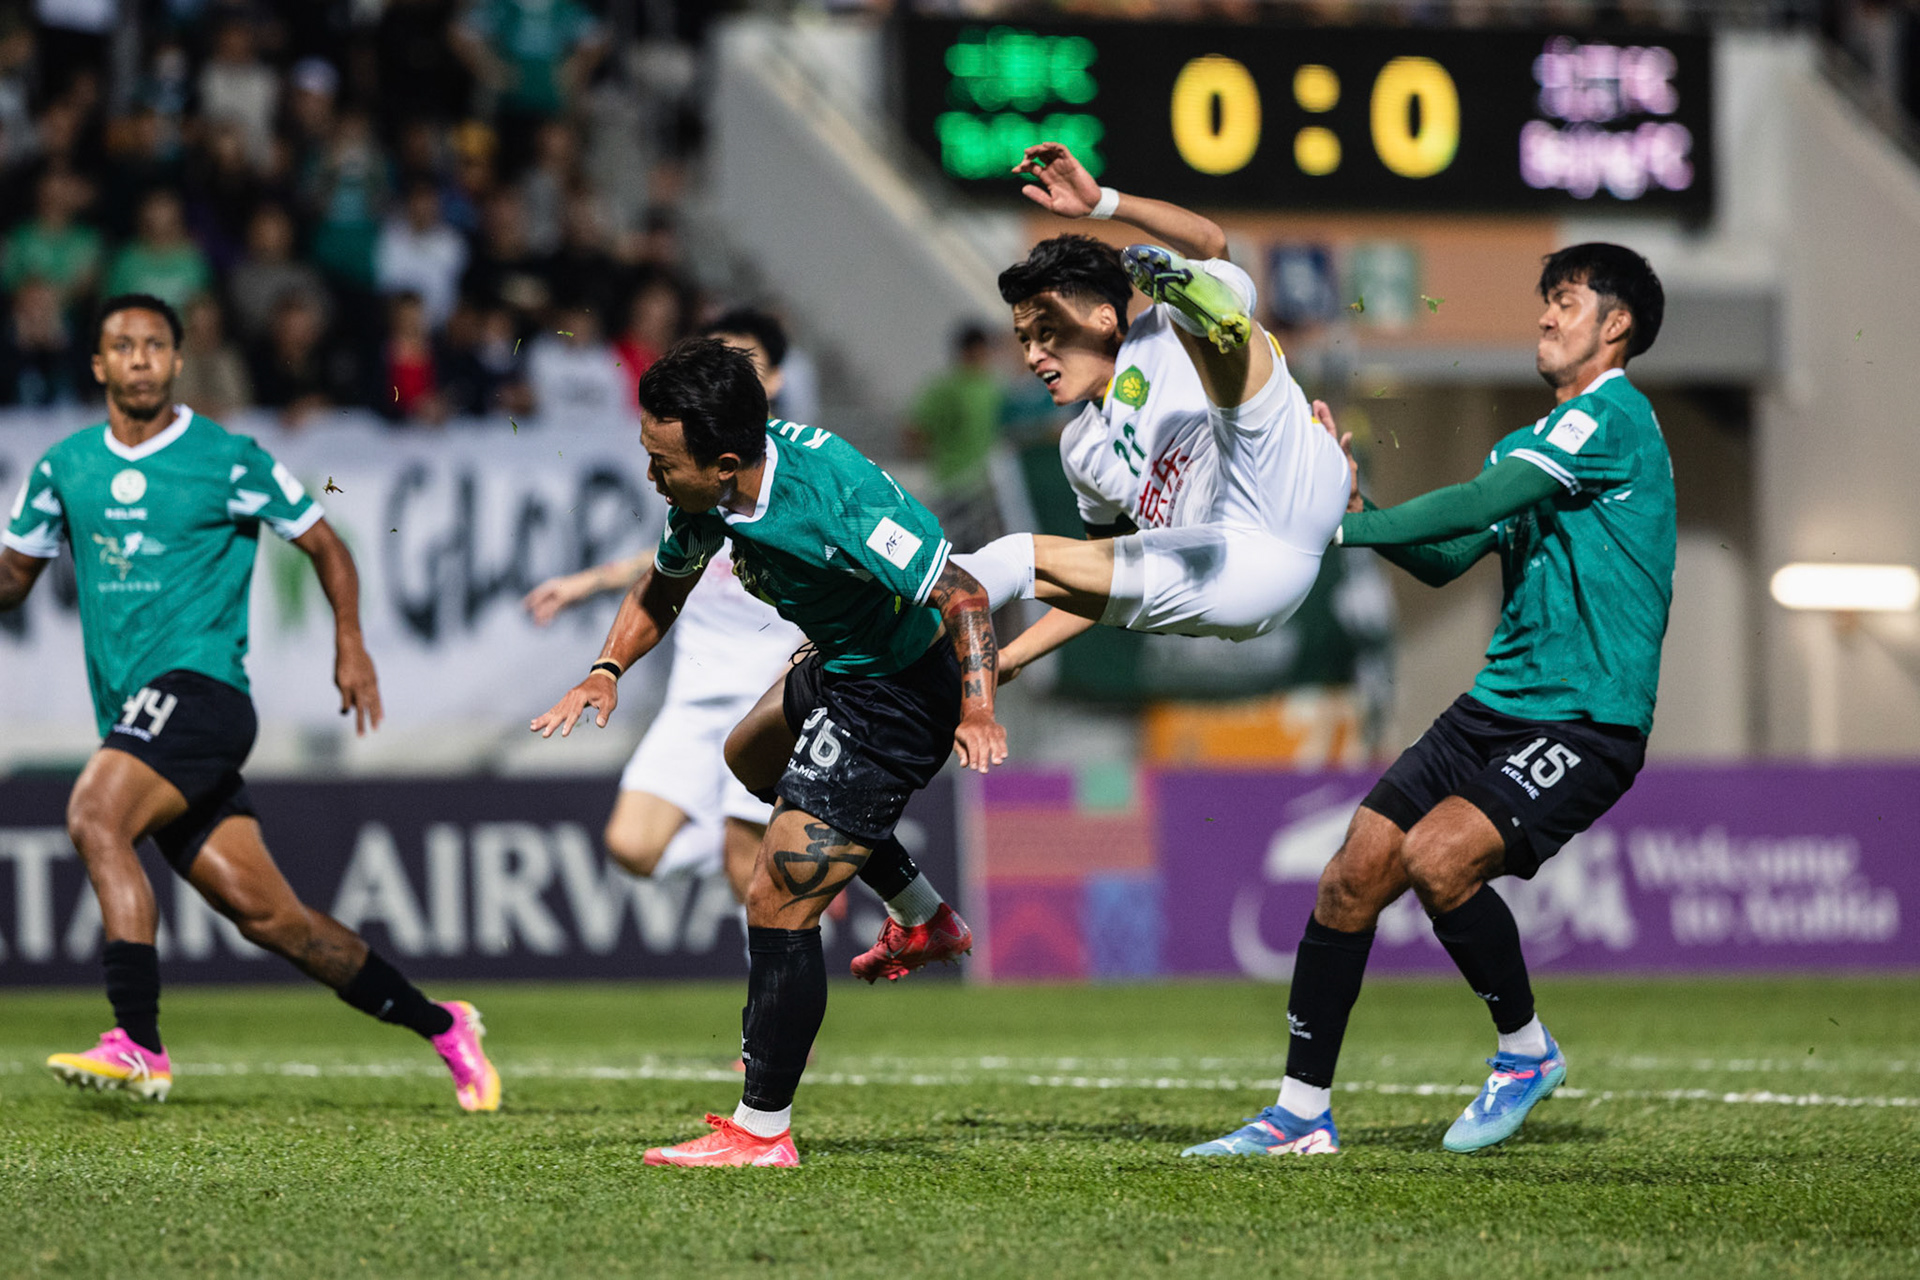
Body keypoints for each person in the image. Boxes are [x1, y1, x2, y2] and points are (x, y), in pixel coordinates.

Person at [1183, 243, 1673, 1158]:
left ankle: (1525, 1051)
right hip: (1494, 706)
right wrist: (1363, 497)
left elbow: (1478, 500)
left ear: (1617, 324)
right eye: (1547, 301)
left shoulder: (1614, 422)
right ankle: (1299, 1114)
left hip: (1586, 716)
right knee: (1350, 877)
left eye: (1565, 301)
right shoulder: (1532, 443)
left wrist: (1334, 522)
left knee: (1440, 860)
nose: (1545, 317)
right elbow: (1450, 553)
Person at [0, 294, 499, 1110]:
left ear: (176, 360)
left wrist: (350, 642)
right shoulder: (64, 467)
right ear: (96, 364)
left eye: (153, 345)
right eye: (121, 346)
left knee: (95, 814)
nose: (137, 359)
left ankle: (138, 1042)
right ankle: (444, 1023)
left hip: (202, 692)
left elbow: (324, 543)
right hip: (140, 719)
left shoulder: (226, 457)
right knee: (278, 923)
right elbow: (13, 581)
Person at [531, 337, 1006, 1167]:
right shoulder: (706, 496)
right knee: (748, 759)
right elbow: (666, 584)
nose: (652, 475)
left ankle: (761, 1132)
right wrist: (605, 670)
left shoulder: (830, 495)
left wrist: (976, 710)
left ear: (722, 460)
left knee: (775, 898)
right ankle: (923, 913)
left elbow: (961, 592)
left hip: (904, 693)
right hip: (838, 666)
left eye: (660, 461)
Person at [953, 142, 1350, 675]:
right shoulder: (1080, 451)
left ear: (1101, 318)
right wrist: (1010, 658)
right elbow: (1099, 578)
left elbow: (1212, 239)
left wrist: (1103, 203)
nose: (1032, 356)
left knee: (1211, 295)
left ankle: (1209, 303)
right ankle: (1211, 304)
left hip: (1280, 477)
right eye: (1024, 341)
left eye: (1046, 333)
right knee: (1047, 558)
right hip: (1229, 565)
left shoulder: (1156, 332)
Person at [523, 310, 805, 903]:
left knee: (745, 866)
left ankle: (779, 975)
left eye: (743, 361)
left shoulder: (798, 472)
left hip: (769, 690)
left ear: (773, 379)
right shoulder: (695, 472)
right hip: (695, 691)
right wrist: (588, 584)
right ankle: (787, 861)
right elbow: (674, 558)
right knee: (631, 847)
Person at [904, 322, 1008, 553]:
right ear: (969, 351)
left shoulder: (993, 388)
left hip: (985, 486)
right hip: (954, 484)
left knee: (985, 552)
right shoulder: (948, 388)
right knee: (955, 551)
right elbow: (914, 429)